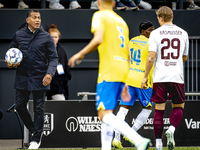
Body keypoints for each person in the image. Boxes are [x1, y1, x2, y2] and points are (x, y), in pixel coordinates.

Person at [68, 0, 151, 149]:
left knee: (103, 114)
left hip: (109, 70)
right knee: (107, 114)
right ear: (114, 3)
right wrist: (125, 81)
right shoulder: (121, 21)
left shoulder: (100, 15)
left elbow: (98, 39)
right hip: (122, 70)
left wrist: (79, 54)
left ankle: (137, 140)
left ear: (98, 2)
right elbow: (127, 54)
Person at [5, 9, 58, 149]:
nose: (37, 20)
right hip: (22, 78)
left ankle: (36, 139)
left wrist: (49, 74)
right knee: (20, 107)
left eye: (39, 17)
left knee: (39, 109)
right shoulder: (18, 35)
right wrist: (10, 64)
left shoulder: (46, 37)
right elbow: (10, 54)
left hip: (41, 78)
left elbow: (54, 58)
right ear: (27, 20)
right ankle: (35, 130)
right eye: (34, 17)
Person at [141, 6, 189, 150]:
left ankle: (158, 145)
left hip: (160, 77)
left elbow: (151, 57)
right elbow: (184, 57)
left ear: (160, 18)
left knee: (159, 110)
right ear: (171, 17)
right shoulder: (183, 33)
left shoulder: (155, 34)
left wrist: (144, 77)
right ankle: (171, 129)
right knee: (179, 106)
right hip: (176, 76)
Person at [112, 20, 155, 148]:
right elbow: (152, 59)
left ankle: (116, 139)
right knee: (147, 109)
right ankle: (131, 133)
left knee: (123, 109)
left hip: (129, 79)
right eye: (150, 30)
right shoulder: (151, 42)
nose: (152, 32)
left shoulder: (131, 41)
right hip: (144, 81)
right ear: (143, 31)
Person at [46, 24, 72, 100]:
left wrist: (67, 76)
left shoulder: (62, 51)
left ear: (58, 38)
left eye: (56, 37)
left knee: (61, 105)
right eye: (52, 37)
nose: (54, 39)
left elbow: (65, 67)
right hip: (45, 86)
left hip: (58, 87)